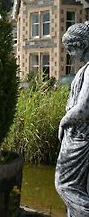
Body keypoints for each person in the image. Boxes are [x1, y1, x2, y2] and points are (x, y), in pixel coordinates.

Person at [55, 22, 89, 216]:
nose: (69, 54)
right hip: (75, 134)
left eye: (71, 48)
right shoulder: (85, 69)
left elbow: (84, 109)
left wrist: (64, 121)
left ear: (82, 45)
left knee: (65, 184)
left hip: (79, 136)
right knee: (80, 184)